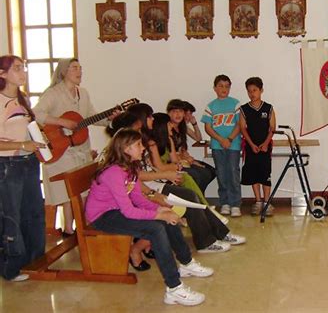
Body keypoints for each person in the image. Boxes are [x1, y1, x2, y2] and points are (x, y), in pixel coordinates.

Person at [85, 128, 213, 306]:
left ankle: (186, 262)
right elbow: (129, 211)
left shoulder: (130, 167)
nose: (143, 148)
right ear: (127, 149)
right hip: (102, 216)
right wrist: (159, 215)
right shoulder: (113, 173)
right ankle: (174, 288)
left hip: (117, 211)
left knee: (165, 219)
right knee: (156, 228)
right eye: (138, 145)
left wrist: (162, 211)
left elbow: (138, 198)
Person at [107, 112, 245, 254]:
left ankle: (220, 234)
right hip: (148, 189)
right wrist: (162, 179)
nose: (152, 119)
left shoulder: (141, 142)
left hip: (153, 185)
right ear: (138, 122)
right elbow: (137, 177)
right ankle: (206, 242)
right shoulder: (128, 146)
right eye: (149, 116)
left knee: (191, 195)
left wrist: (167, 174)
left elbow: (146, 171)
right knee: (189, 197)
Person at [33, 58, 109, 237]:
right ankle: (70, 229)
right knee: (67, 193)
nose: (79, 71)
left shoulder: (83, 93)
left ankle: (75, 229)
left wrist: (111, 118)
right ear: (64, 71)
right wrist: (61, 122)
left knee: (80, 191)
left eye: (80, 68)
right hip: (60, 150)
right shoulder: (53, 93)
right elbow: (36, 113)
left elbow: (92, 116)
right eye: (75, 68)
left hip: (80, 147)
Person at [0, 55, 45, 282]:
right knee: (12, 216)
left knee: (34, 211)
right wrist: (21, 145)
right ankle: (11, 267)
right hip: (8, 164)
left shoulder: (22, 98)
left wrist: (38, 141)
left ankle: (35, 261)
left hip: (29, 161)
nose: (23, 72)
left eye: (23, 68)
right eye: (17, 69)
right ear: (3, 74)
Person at [201, 75, 242, 217]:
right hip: (217, 146)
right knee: (222, 174)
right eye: (221, 86)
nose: (224, 89)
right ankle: (225, 202)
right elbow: (208, 127)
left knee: (233, 173)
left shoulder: (236, 104)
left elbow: (239, 124)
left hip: (233, 145)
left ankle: (235, 204)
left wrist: (229, 139)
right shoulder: (211, 106)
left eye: (227, 86)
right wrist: (220, 139)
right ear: (215, 88)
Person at [240, 77, 276, 216]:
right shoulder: (244, 109)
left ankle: (267, 203)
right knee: (253, 174)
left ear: (261, 90)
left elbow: (272, 127)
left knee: (265, 174)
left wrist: (266, 143)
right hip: (251, 147)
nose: (252, 93)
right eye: (249, 91)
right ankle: (258, 202)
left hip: (265, 147)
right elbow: (243, 128)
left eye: (254, 90)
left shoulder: (269, 108)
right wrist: (251, 144)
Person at [167, 99, 216, 194]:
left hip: (183, 159)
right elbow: (171, 154)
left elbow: (198, 138)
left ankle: (199, 198)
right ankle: (196, 199)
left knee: (211, 171)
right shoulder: (167, 128)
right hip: (174, 161)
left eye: (180, 111)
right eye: (174, 111)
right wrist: (191, 161)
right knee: (198, 175)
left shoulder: (182, 127)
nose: (178, 114)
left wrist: (194, 124)